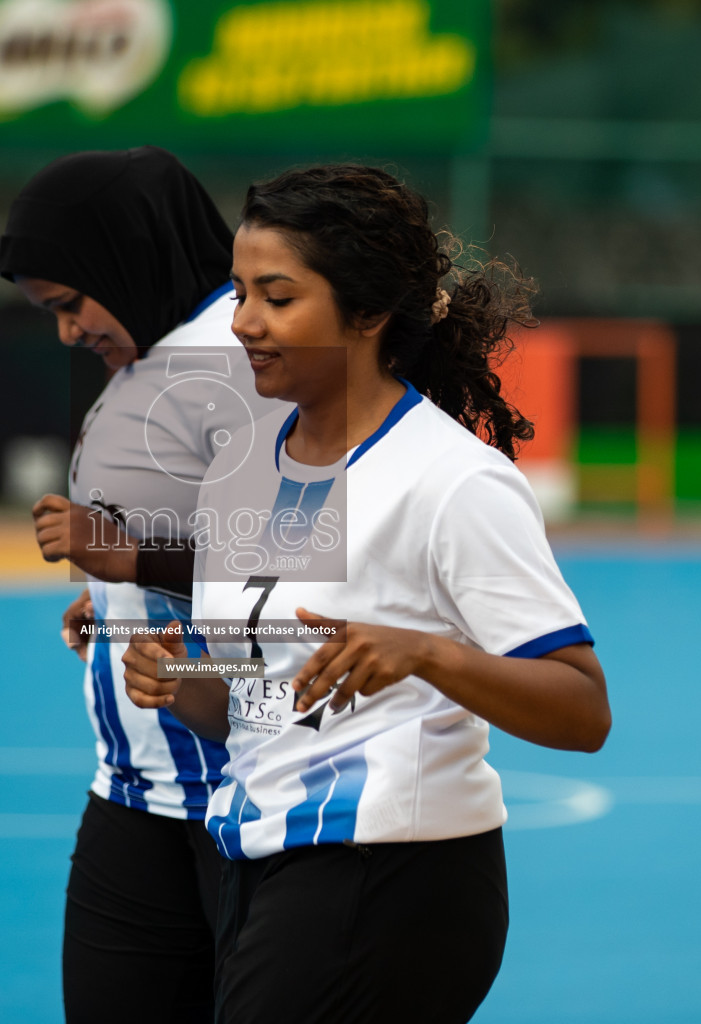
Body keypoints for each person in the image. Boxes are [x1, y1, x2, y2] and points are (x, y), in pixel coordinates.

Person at [120, 164, 610, 1023]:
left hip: (392, 875)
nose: (243, 324)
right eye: (238, 294)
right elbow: (260, 691)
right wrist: (180, 672)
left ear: (370, 312)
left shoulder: (454, 481)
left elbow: (583, 710)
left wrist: (425, 651)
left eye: (277, 297)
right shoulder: (240, 465)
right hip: (258, 858)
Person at [0, 146, 285, 1023]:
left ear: (125, 258)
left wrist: (131, 561)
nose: (66, 331)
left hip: (238, 795)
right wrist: (122, 608)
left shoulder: (237, 359)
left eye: (69, 303)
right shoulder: (153, 360)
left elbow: (299, 566)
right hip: (136, 790)